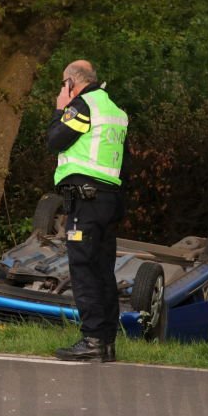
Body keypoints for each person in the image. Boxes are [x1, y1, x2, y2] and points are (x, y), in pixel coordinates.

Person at [46, 60, 130, 362]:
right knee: (103, 270)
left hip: (87, 201)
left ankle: (92, 339)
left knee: (83, 269)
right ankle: (106, 343)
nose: (61, 90)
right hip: (109, 200)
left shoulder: (82, 106)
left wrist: (60, 108)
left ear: (71, 83)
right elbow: (125, 165)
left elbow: (55, 140)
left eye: (62, 85)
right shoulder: (114, 111)